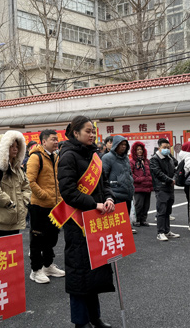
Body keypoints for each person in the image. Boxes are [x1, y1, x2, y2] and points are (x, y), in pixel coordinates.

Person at [57, 116, 115, 328]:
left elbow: (104, 184)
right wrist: (94, 204)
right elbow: (69, 192)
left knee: (95, 269)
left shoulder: (94, 155)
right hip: (78, 222)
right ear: (75, 133)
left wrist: (108, 198)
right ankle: (81, 321)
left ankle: (94, 317)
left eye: (93, 131)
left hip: (97, 220)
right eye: (88, 131)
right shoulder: (68, 156)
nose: (92, 135)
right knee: (79, 271)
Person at [26, 129, 65, 284]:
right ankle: (36, 270)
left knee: (51, 237)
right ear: (43, 141)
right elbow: (29, 181)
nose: (56, 142)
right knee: (37, 238)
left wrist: (59, 197)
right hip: (39, 205)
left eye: (57, 139)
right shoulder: (36, 157)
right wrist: (44, 195)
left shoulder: (55, 156)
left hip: (55, 205)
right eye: (53, 139)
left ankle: (48, 265)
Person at [0, 131, 31, 237]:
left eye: (17, 146)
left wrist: (24, 201)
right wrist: (9, 203)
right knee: (1, 251)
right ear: (4, 148)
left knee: (14, 250)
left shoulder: (18, 168)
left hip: (17, 218)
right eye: (11, 146)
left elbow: (26, 187)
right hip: (1, 220)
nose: (15, 149)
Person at [102, 135, 136, 233]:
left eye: (125, 144)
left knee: (124, 221)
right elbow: (104, 177)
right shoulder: (107, 158)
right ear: (115, 145)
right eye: (121, 144)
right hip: (115, 195)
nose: (123, 146)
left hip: (127, 194)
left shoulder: (125, 158)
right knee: (116, 223)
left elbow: (129, 173)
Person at [150, 138, 180, 241]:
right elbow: (157, 173)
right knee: (161, 211)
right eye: (164, 147)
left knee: (168, 210)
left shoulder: (169, 158)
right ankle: (160, 232)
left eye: (168, 147)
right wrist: (170, 180)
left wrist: (174, 179)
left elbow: (175, 170)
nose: (166, 149)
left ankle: (167, 231)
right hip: (161, 187)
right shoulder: (154, 159)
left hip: (170, 187)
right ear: (159, 147)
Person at [130, 141, 153, 227]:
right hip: (138, 187)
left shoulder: (147, 161)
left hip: (148, 186)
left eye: (141, 149)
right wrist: (139, 179)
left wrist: (150, 179)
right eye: (138, 149)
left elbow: (151, 172)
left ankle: (143, 219)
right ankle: (137, 220)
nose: (140, 151)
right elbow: (130, 174)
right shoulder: (132, 162)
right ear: (134, 151)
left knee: (146, 205)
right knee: (139, 205)